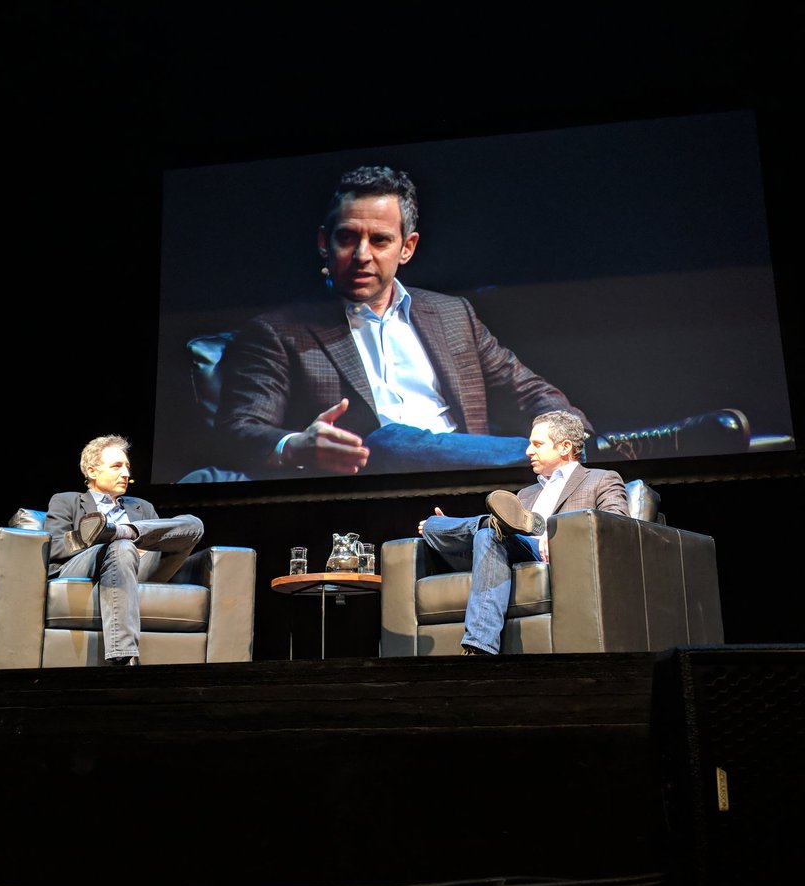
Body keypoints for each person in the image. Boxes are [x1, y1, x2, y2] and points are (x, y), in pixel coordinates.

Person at [212, 164, 597, 479]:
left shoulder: (452, 314)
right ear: (324, 242)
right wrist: (294, 445)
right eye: (347, 238)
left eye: (379, 240)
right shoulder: (278, 332)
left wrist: (572, 438)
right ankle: (541, 459)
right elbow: (238, 431)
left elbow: (528, 391)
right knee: (389, 441)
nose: (362, 255)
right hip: (373, 483)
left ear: (407, 247)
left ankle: (560, 457)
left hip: (472, 483)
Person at [417, 410, 629, 656]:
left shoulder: (602, 480)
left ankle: (470, 527)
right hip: (520, 552)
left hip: (562, 557)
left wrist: (559, 537)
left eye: (537, 444)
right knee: (487, 535)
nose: (528, 451)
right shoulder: (526, 495)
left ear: (565, 447)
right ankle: (485, 526)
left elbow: (617, 526)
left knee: (479, 530)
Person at [46, 434, 205, 666]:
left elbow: (162, 543)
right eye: (117, 466)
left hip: (139, 567)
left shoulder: (142, 507)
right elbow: (55, 547)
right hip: (85, 567)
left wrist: (129, 540)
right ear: (92, 471)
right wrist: (101, 541)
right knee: (121, 546)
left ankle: (123, 531)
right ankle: (122, 657)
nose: (126, 473)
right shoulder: (66, 501)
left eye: (127, 467)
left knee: (193, 524)